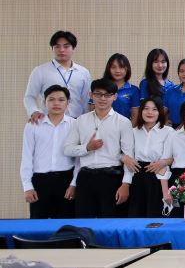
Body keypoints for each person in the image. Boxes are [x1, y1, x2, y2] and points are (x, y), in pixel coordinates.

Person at [63, 78, 134, 218]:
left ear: (115, 97)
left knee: (111, 223)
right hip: (86, 177)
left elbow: (129, 157)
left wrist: (126, 184)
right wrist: (87, 148)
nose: (102, 98)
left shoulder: (123, 122)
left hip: (112, 177)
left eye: (107, 95)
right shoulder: (81, 120)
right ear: (91, 95)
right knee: (84, 223)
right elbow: (67, 149)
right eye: (98, 94)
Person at [20, 85, 78, 219]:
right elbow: (27, 157)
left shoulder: (75, 125)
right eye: (51, 99)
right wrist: (27, 186)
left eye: (61, 100)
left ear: (68, 103)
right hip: (40, 181)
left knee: (65, 224)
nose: (56, 103)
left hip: (65, 180)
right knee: (38, 224)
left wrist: (73, 184)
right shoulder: (33, 125)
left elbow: (78, 159)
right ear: (44, 102)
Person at [24, 30, 92, 121]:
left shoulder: (83, 72)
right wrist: (34, 111)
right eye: (57, 46)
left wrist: (88, 120)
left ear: (73, 48)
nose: (61, 50)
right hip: (50, 122)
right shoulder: (40, 71)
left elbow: (87, 99)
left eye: (66, 46)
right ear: (52, 48)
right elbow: (29, 96)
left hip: (77, 121)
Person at [125, 97, 173, 218]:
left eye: (154, 109)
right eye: (146, 109)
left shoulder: (168, 131)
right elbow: (128, 158)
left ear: (160, 112)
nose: (150, 112)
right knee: (136, 215)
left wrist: (165, 192)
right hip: (137, 176)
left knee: (155, 217)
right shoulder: (133, 131)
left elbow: (165, 161)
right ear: (141, 111)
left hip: (157, 177)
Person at [100, 53, 141, 122]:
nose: (117, 71)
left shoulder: (134, 90)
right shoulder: (100, 87)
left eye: (121, 67)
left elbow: (135, 116)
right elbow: (92, 109)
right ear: (108, 69)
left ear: (127, 69)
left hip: (125, 127)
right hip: (102, 126)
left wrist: (128, 128)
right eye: (113, 67)